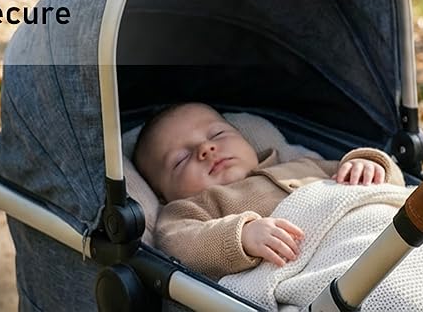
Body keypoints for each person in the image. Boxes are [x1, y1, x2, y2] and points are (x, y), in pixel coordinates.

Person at [133, 102, 403, 278]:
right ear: (162, 195)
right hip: (333, 272)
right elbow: (178, 243)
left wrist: (368, 164)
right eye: (181, 160)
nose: (206, 149)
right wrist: (241, 236)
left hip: (389, 233)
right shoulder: (191, 208)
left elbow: (387, 182)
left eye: (217, 135)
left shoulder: (300, 164)